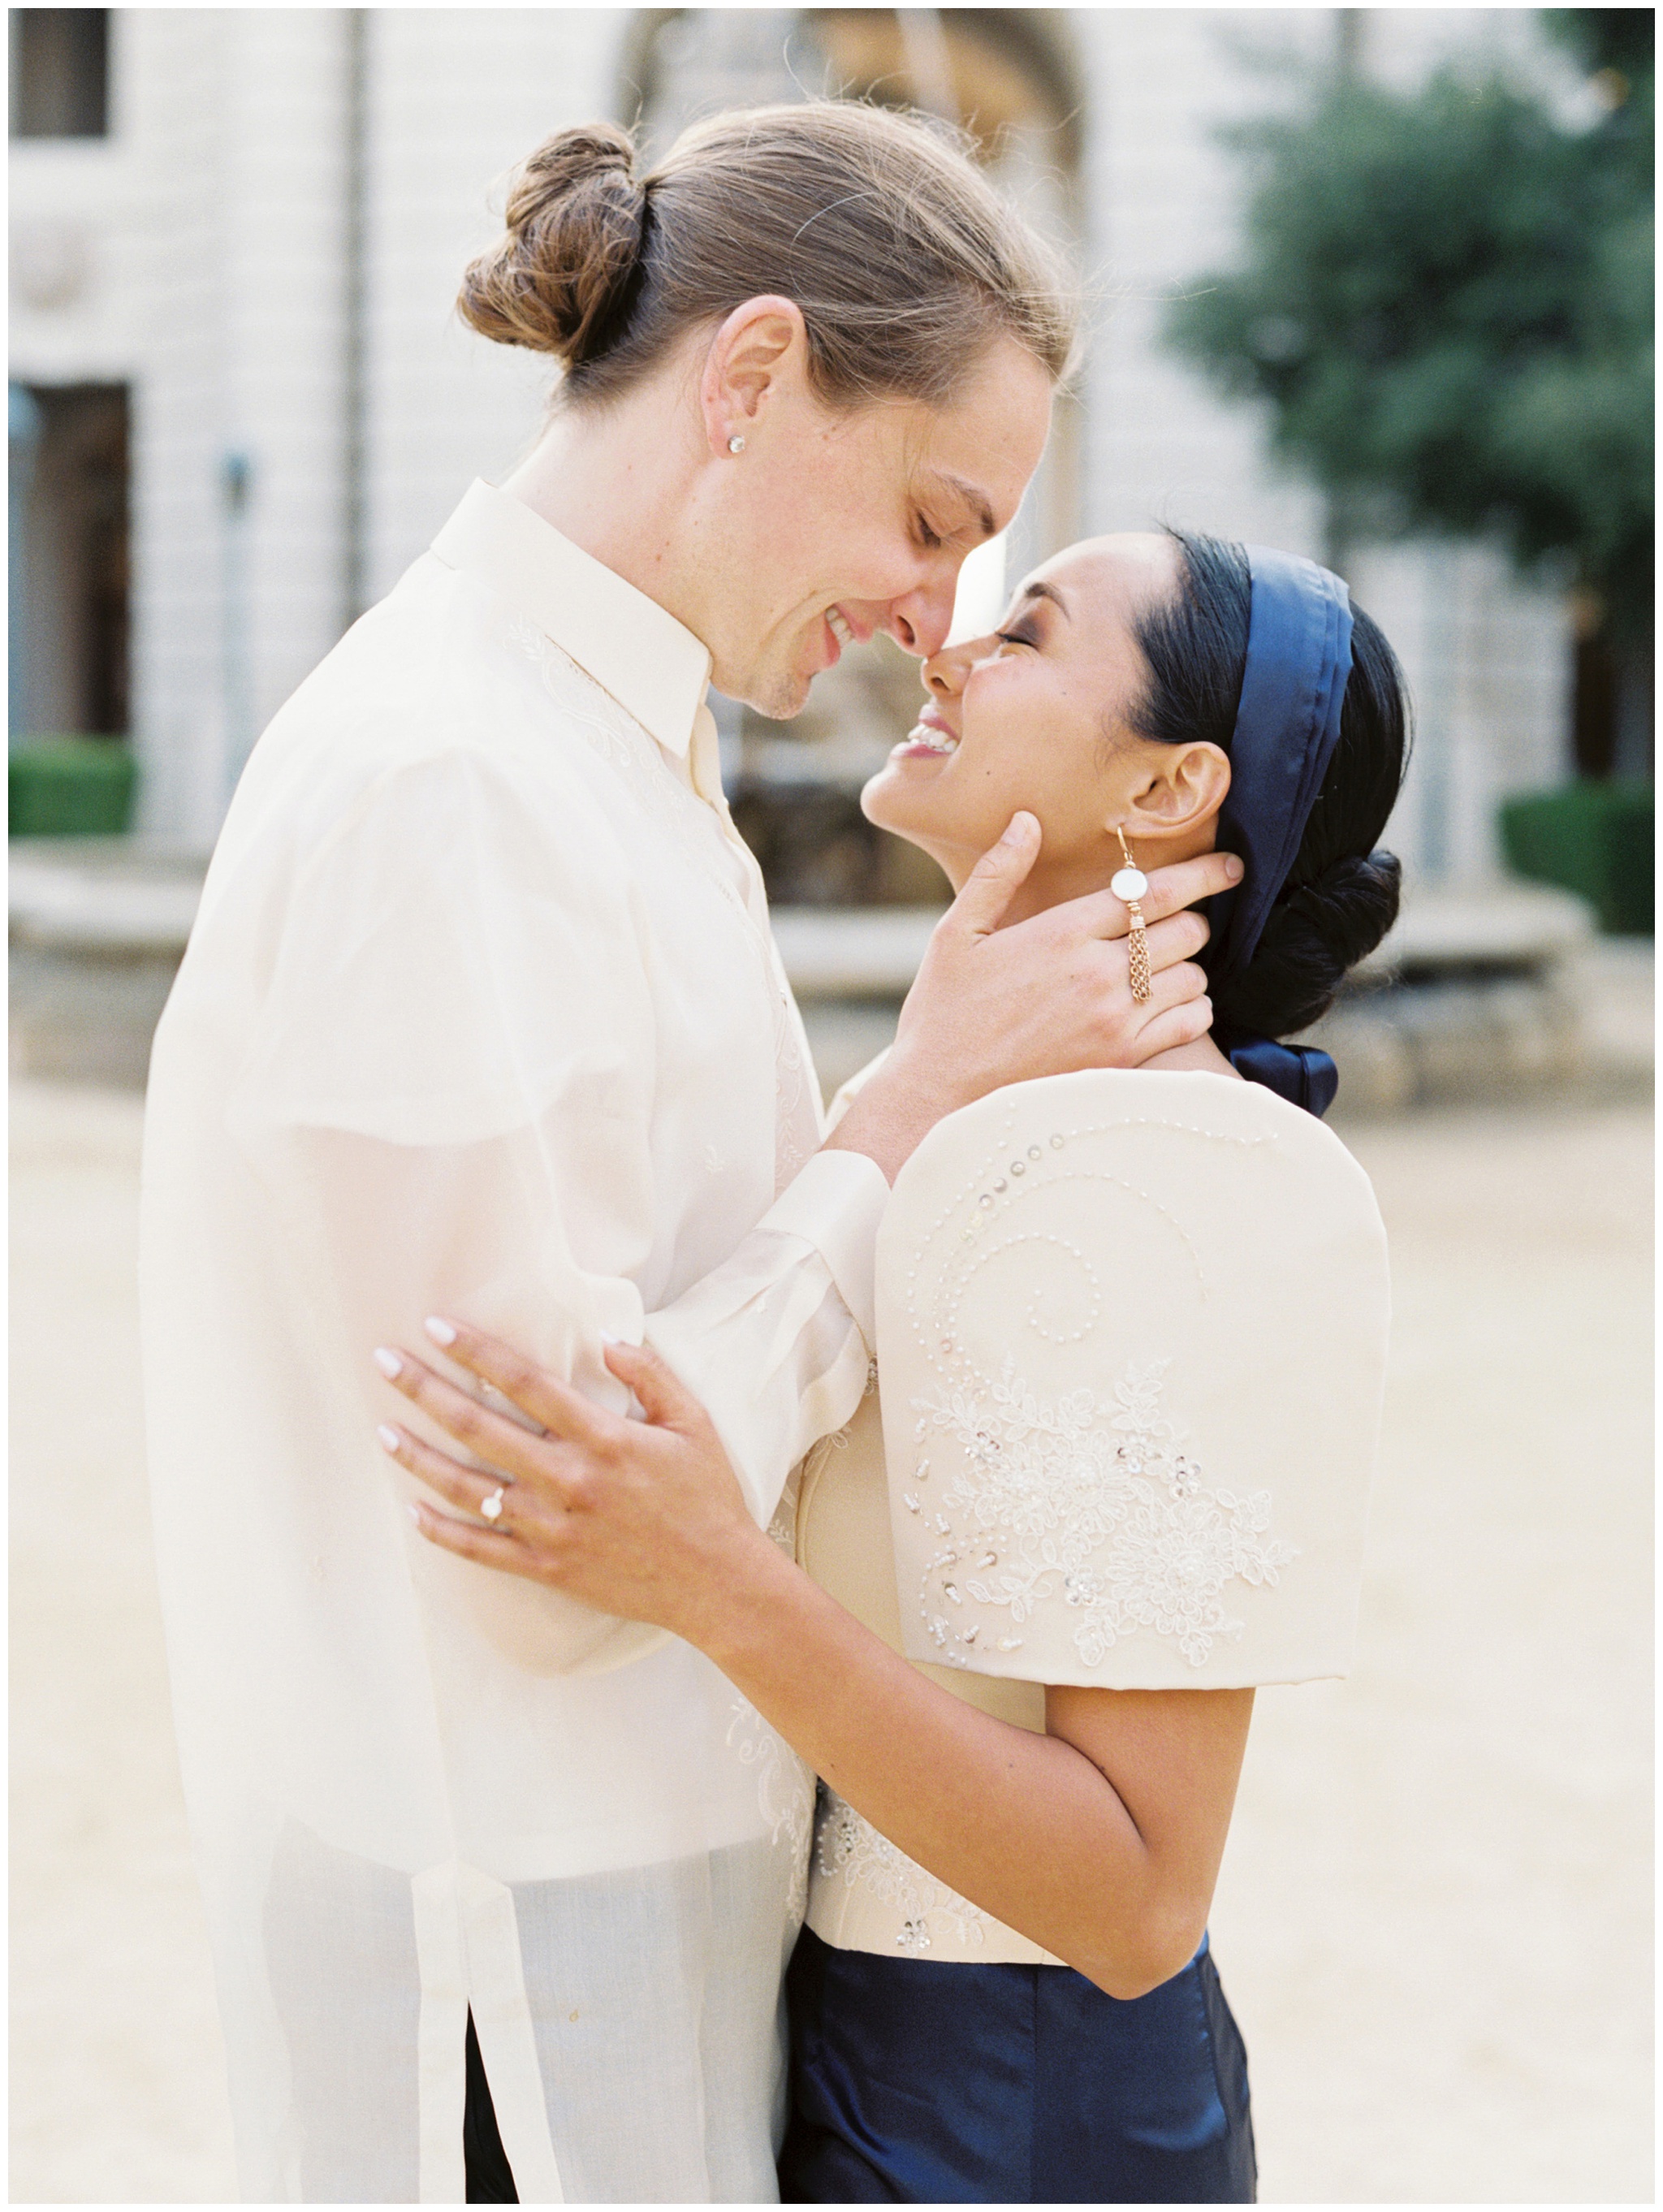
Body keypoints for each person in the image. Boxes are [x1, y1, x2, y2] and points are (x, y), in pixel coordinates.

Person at [140, 106, 1238, 2204]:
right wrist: (899, 1119)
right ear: (748, 380)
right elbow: (547, 1526)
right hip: (515, 2030)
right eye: (935, 519)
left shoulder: (608, 752)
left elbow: (651, 1379)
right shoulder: (445, 783)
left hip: (621, 1976)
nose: (940, 615)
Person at [378, 528, 1408, 2201]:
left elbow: (1137, 1900)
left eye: (1024, 633)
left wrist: (711, 1579)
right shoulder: (967, 1113)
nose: (943, 647)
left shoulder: (1179, 1171)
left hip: (1007, 2115)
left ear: (1168, 791)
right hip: (833, 2047)